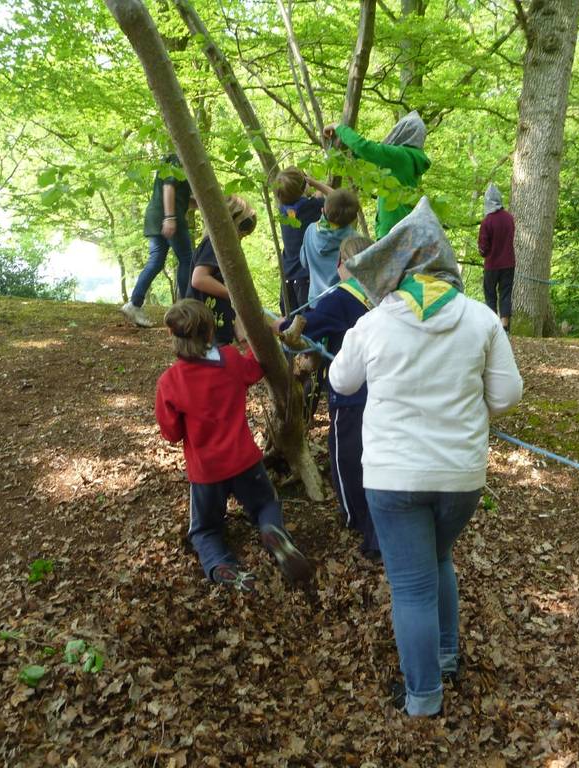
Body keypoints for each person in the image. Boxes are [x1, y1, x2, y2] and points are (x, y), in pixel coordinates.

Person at [329, 198, 524, 717]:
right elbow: (506, 395)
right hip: (460, 475)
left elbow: (341, 379)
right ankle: (445, 655)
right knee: (438, 559)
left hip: (393, 478)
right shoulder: (480, 318)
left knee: (412, 586)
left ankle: (424, 697)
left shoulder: (376, 321)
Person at [155, 299, 313, 591]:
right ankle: (272, 530)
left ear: (172, 336)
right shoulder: (228, 359)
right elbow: (255, 367)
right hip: (245, 461)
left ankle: (222, 566)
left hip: (207, 472)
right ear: (210, 333)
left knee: (205, 529)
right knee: (265, 503)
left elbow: (171, 433)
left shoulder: (170, 381)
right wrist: (249, 337)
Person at [275, 235, 379, 560]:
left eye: (339, 263)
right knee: (375, 458)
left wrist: (280, 326)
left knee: (346, 459)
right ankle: (375, 520)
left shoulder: (339, 298)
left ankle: (356, 518)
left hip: (349, 395)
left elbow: (304, 331)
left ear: (344, 264)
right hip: (383, 393)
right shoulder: (382, 297)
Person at [323, 111, 431, 239]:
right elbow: (369, 158)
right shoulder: (411, 159)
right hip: (404, 228)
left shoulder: (400, 156)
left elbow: (365, 148)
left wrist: (338, 127)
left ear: (404, 130)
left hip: (392, 231)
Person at [122, 154, 195, 328]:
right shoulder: (177, 159)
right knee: (187, 259)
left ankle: (134, 304)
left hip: (156, 216)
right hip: (168, 216)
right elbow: (168, 187)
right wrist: (170, 217)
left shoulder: (174, 161)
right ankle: (185, 310)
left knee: (156, 261)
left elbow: (185, 199)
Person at [189, 196, 256, 346]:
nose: (242, 239)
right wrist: (233, 295)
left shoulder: (220, 248)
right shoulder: (213, 244)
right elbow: (199, 279)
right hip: (205, 328)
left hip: (216, 329)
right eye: (242, 232)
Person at [274, 167, 328, 313]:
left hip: (288, 280)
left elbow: (305, 201)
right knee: (308, 327)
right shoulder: (313, 207)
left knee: (291, 328)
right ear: (305, 185)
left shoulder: (283, 212)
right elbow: (336, 197)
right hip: (306, 279)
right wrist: (315, 183)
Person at [299, 188, 360, 305]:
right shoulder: (355, 240)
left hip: (316, 302)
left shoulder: (311, 230)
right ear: (353, 219)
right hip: (344, 302)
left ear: (322, 210)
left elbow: (304, 262)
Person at [478, 183, 516, 333]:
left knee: (490, 294)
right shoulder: (509, 218)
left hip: (492, 264)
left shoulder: (487, 221)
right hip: (508, 264)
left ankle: (493, 326)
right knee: (505, 294)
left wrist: (482, 251)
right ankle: (504, 326)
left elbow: (483, 247)